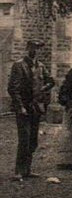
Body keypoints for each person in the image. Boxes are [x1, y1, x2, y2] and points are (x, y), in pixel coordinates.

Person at [7, 39, 54, 181]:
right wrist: (20, 106)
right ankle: (18, 171)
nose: (36, 51)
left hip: (36, 107)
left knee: (33, 140)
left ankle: (27, 169)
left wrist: (44, 89)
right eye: (33, 48)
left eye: (38, 48)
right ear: (28, 48)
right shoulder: (19, 65)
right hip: (24, 107)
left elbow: (51, 81)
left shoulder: (40, 66)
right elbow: (12, 89)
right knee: (24, 139)